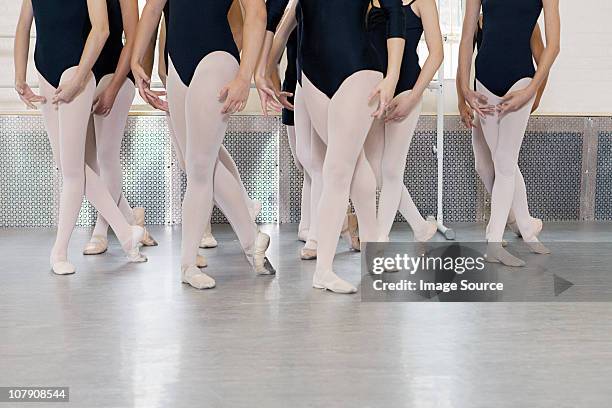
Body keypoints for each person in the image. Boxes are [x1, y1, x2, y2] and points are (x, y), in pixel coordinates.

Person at [262, 0, 406, 293]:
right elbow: (275, 11)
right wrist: (265, 68)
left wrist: (392, 76)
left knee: (337, 169)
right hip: (311, 75)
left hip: (359, 69)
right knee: (354, 164)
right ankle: (374, 249)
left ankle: (323, 269)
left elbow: (394, 11)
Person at [131, 0, 275, 289]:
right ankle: (252, 240)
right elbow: (152, 9)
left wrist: (244, 77)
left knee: (198, 167)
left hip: (216, 58)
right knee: (197, 161)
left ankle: (187, 264)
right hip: (177, 63)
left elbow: (257, 12)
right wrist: (137, 60)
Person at [14, 0, 147, 275]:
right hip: (45, 71)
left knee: (73, 171)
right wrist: (19, 77)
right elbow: (23, 25)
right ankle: (125, 232)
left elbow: (101, 30)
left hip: (76, 70)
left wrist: (80, 78)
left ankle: (59, 250)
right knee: (68, 164)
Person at [457, 0, 560, 266]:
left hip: (521, 80)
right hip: (485, 81)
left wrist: (531, 90)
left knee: (504, 162)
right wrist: (465, 89)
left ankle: (494, 241)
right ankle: (525, 226)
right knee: (502, 163)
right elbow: (467, 37)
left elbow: (553, 46)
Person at [83, 0, 158, 256]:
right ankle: (130, 217)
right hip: (83, 77)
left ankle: (101, 231)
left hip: (116, 74)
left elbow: (134, 39)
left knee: (106, 155)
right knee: (87, 164)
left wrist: (114, 87)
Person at [365, 0, 443, 242]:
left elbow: (437, 53)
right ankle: (420, 226)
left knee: (391, 169)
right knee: (374, 169)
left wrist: (414, 97)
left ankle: (379, 238)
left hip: (407, 89)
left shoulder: (422, 2)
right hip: (375, 90)